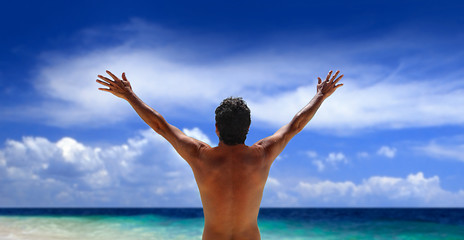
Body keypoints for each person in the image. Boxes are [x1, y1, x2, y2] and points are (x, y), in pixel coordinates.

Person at [96, 70, 343, 240]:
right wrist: (321, 95)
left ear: (216, 129)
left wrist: (128, 95)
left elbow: (160, 126)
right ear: (248, 128)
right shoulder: (263, 155)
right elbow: (295, 126)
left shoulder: (200, 156)